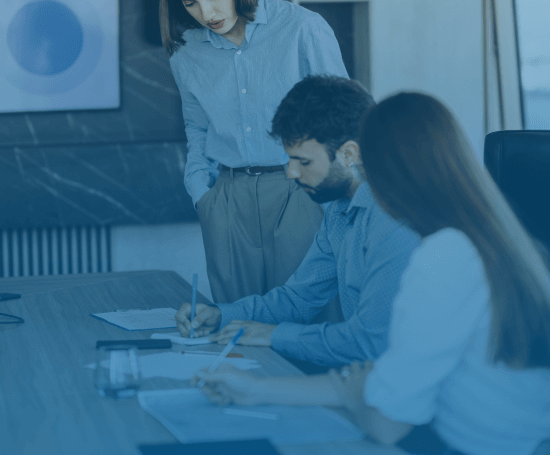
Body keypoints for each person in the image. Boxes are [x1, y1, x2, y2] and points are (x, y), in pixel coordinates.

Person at [195, 91, 550, 455]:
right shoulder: (483, 232)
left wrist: (357, 389)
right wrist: (258, 389)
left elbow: (386, 422)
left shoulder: (442, 255)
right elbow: (381, 384)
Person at [174, 75, 420, 367]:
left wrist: (274, 335)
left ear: (349, 154)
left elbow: (371, 341)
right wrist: (221, 315)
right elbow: (298, 298)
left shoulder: (393, 220)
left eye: (303, 162)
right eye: (289, 159)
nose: (290, 173)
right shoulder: (338, 211)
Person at [161, 0, 348, 304]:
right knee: (236, 323)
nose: (206, 14)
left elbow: (343, 117)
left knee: (306, 315)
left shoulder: (303, 28)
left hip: (300, 191)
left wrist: (331, 200)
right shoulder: (186, 53)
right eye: (190, 3)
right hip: (227, 201)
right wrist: (202, 195)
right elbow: (196, 127)